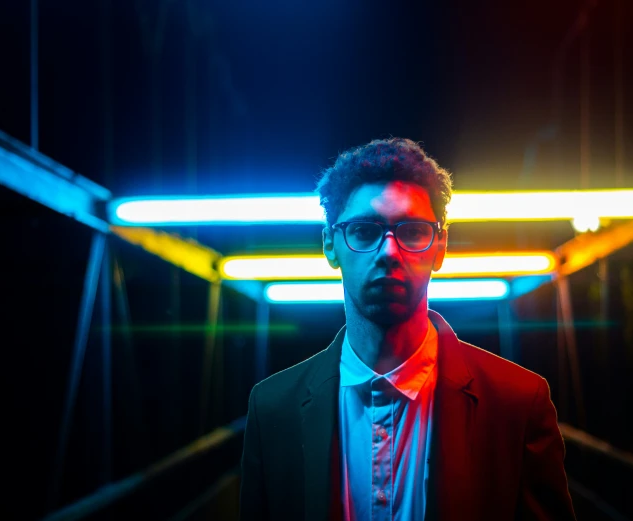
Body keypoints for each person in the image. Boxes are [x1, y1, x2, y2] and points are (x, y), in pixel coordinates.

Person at [239, 138, 576, 521]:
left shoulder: (517, 403)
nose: (389, 251)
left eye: (412, 231)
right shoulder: (272, 409)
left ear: (440, 247)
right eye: (365, 231)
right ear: (330, 246)